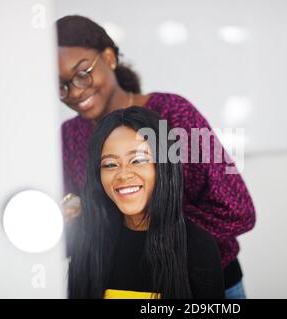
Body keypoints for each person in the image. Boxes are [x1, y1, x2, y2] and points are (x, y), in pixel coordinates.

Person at [57, 15, 255, 298]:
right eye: (61, 85)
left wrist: (160, 229)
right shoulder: (69, 136)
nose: (74, 91)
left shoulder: (174, 114)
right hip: (121, 285)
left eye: (81, 73)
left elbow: (238, 211)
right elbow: (82, 223)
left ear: (109, 58)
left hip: (203, 283)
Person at [68, 106, 224, 299]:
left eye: (138, 160)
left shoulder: (198, 246)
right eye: (110, 164)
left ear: (163, 166)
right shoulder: (87, 243)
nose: (123, 174)